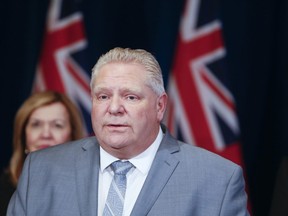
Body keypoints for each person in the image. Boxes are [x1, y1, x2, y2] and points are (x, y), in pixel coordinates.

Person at [7, 47, 249, 216]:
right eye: (103, 96)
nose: (113, 108)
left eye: (130, 97)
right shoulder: (41, 170)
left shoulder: (217, 180)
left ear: (160, 106)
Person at [1, 91, 84, 215]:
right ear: (23, 135)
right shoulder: (3, 189)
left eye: (57, 125)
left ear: (72, 135)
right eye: (36, 125)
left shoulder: (90, 187)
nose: (46, 134)